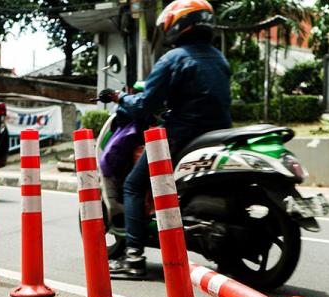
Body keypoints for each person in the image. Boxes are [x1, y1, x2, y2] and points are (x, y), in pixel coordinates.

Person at [98, 0, 232, 279]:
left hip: (181, 136)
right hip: (218, 135)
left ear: (180, 25)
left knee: (134, 185)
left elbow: (145, 105)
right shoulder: (219, 58)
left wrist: (120, 97)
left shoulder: (173, 59)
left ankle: (133, 257)